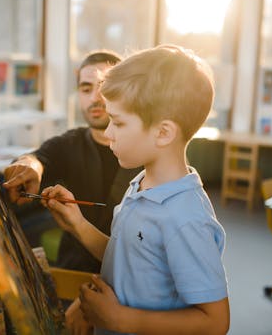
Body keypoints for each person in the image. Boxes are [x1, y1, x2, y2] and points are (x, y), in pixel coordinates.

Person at [41, 45, 230, 334]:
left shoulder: (186, 218)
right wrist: (77, 224)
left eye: (118, 122)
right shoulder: (140, 183)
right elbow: (127, 257)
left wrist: (121, 320)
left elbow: (215, 321)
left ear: (163, 133)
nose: (108, 132)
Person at [3, 50, 141, 273]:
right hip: (75, 271)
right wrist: (30, 164)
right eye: (86, 89)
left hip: (132, 278)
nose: (95, 98)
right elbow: (40, 157)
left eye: (104, 87)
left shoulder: (146, 151)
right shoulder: (71, 143)